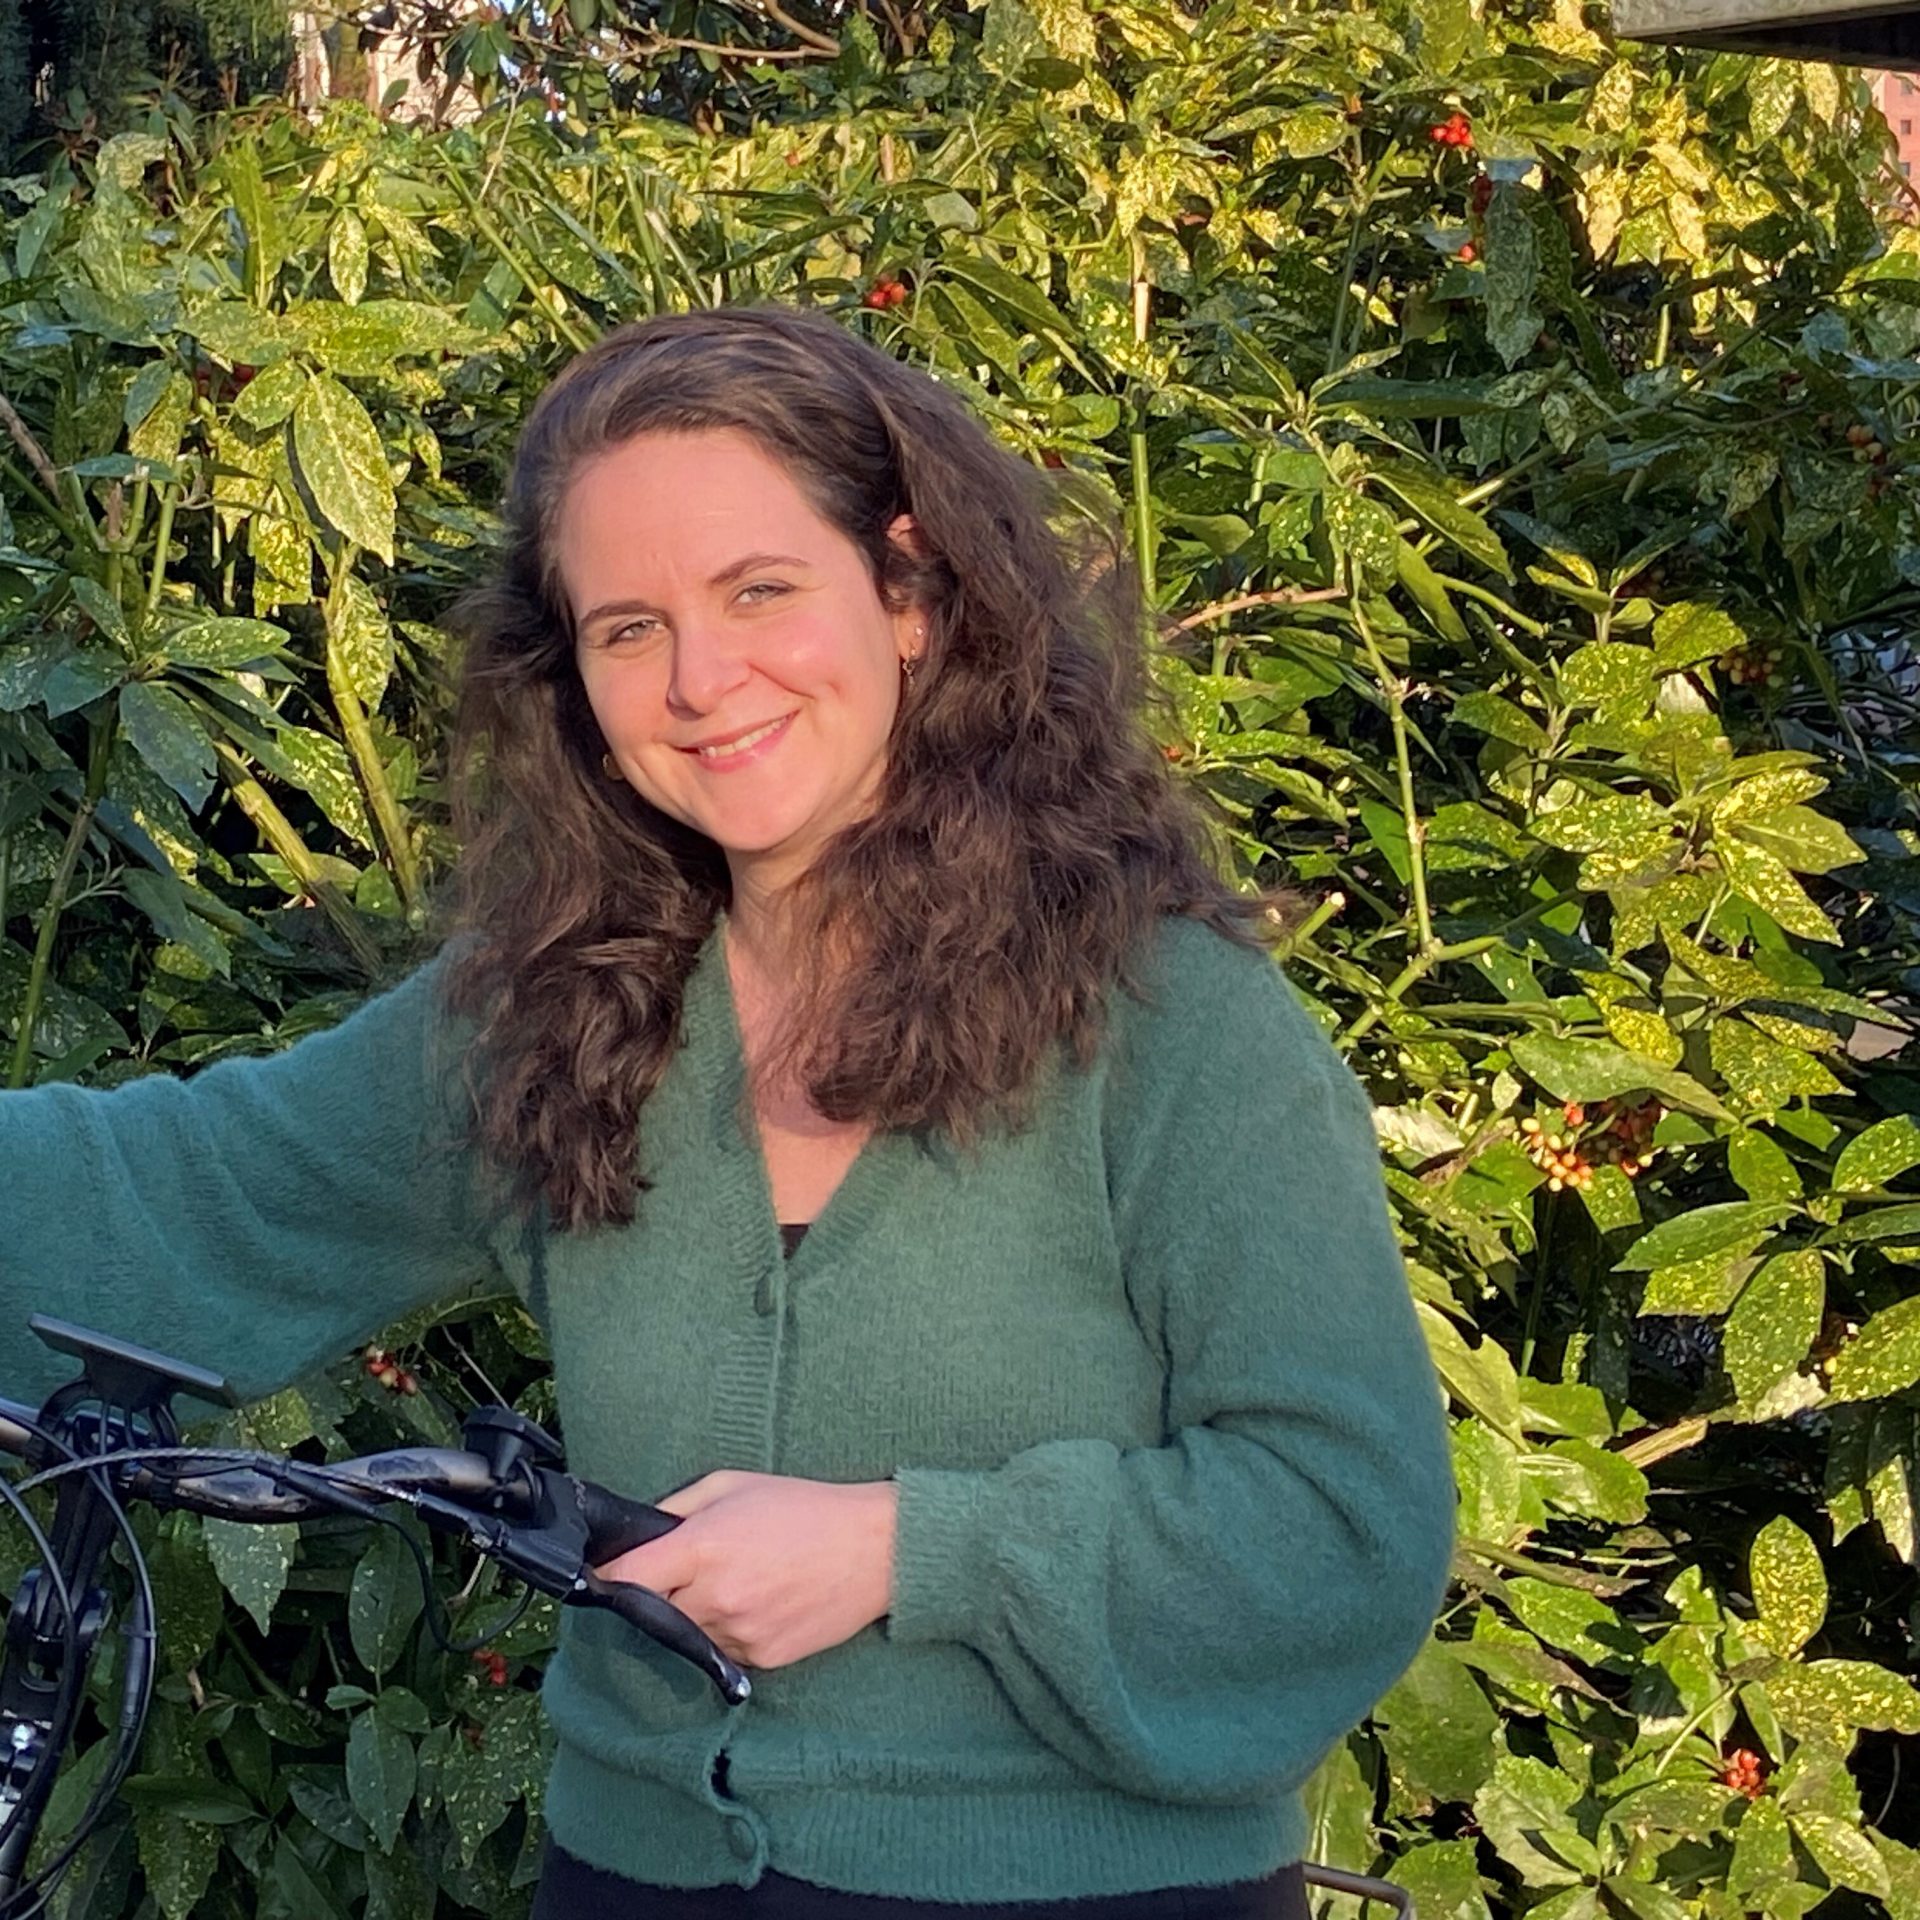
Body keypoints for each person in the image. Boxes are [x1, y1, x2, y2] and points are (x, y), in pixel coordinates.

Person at [0, 305, 1455, 1920]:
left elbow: (1344, 1524)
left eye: (759, 591)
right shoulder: (558, 1010)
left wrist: (910, 1548)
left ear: (910, 592)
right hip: (638, 1880)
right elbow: (181, 1199)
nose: (700, 681)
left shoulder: (1172, 1028)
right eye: (630, 628)